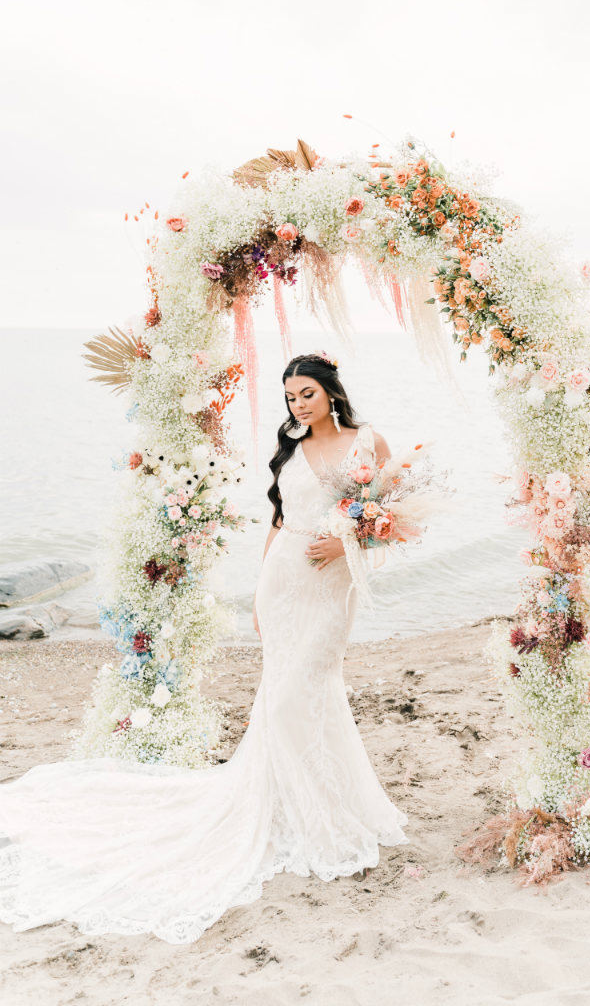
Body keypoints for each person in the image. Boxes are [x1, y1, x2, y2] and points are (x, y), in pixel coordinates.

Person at [0, 352, 408, 945]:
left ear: (332, 393)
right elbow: (278, 518)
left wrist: (348, 546)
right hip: (284, 579)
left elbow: (389, 515)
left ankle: (327, 811)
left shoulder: (367, 441)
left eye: (308, 394)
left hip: (330, 585)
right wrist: (261, 593)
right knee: (284, 694)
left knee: (305, 692)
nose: (299, 405)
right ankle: (297, 806)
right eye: (291, 397)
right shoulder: (291, 450)